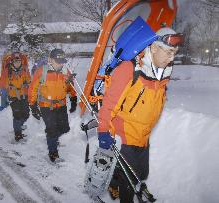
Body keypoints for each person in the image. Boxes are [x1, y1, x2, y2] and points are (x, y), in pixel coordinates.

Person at [97, 27, 184, 202]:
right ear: (153, 47)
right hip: (125, 135)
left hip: (143, 135)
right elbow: (109, 103)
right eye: (168, 52)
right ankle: (121, 187)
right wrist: (103, 130)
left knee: (141, 173)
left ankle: (115, 180)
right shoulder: (129, 69)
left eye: (174, 53)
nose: (172, 58)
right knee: (129, 181)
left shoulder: (162, 72)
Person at [28, 48, 77, 163]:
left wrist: (73, 98)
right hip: (46, 106)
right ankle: (53, 152)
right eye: (57, 61)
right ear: (50, 60)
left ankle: (52, 137)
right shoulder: (42, 71)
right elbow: (33, 88)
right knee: (52, 130)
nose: (60, 64)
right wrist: (33, 105)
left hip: (61, 105)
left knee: (64, 128)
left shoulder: (65, 71)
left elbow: (70, 86)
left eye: (62, 61)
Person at [0, 52, 31, 142]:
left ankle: (18, 127)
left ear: (21, 61)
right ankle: (18, 135)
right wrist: (4, 97)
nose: (17, 63)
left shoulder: (24, 69)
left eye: (19, 61)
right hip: (13, 96)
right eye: (15, 61)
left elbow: (29, 79)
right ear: (12, 62)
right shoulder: (7, 71)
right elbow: (2, 83)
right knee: (17, 115)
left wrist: (28, 83)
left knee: (26, 114)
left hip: (24, 94)